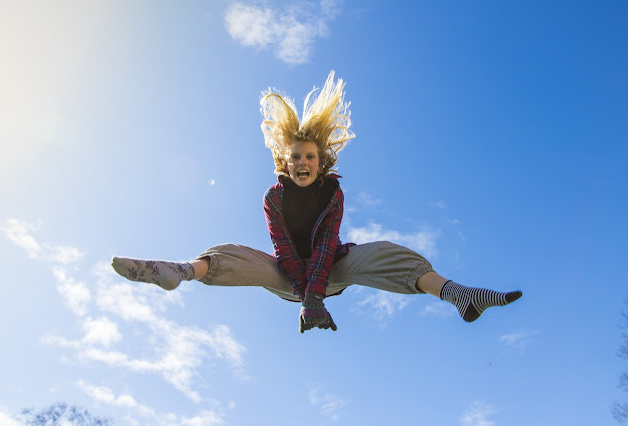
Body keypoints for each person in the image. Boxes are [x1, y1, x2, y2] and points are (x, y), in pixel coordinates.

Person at [111, 71, 522, 333]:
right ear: (284, 163)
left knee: (380, 253)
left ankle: (457, 294)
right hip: (288, 277)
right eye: (296, 158)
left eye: (310, 157)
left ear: (320, 161)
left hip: (332, 274)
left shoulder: (332, 194)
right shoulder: (274, 199)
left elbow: (326, 246)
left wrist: (316, 298)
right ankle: (179, 270)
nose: (303, 163)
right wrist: (303, 294)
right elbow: (284, 249)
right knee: (236, 254)